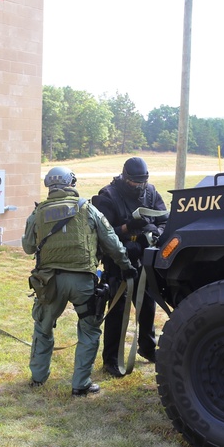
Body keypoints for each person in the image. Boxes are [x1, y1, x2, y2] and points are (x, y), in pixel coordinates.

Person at [22, 166, 134, 397]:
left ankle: (38, 378)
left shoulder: (38, 212)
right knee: (89, 330)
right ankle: (80, 384)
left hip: (49, 282)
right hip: (83, 282)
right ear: (71, 183)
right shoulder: (87, 209)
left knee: (43, 329)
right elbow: (112, 242)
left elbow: (27, 247)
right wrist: (126, 266)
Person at [91, 157, 168, 374]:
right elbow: (102, 234)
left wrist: (156, 233)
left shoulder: (151, 192)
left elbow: (164, 219)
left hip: (144, 257)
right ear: (125, 177)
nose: (139, 186)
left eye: (142, 182)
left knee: (147, 306)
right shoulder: (108, 195)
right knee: (118, 309)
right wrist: (127, 227)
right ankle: (111, 360)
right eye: (135, 182)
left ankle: (147, 347)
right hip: (118, 259)